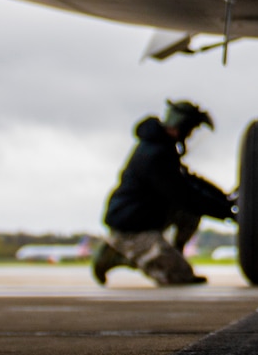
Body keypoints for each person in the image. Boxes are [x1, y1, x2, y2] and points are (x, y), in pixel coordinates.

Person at [92, 100, 234, 286]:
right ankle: (117, 254)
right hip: (131, 228)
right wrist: (226, 213)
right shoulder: (155, 156)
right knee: (179, 277)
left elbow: (190, 181)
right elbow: (185, 195)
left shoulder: (162, 149)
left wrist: (225, 199)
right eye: (189, 130)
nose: (190, 136)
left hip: (147, 219)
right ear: (181, 127)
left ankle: (168, 254)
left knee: (190, 214)